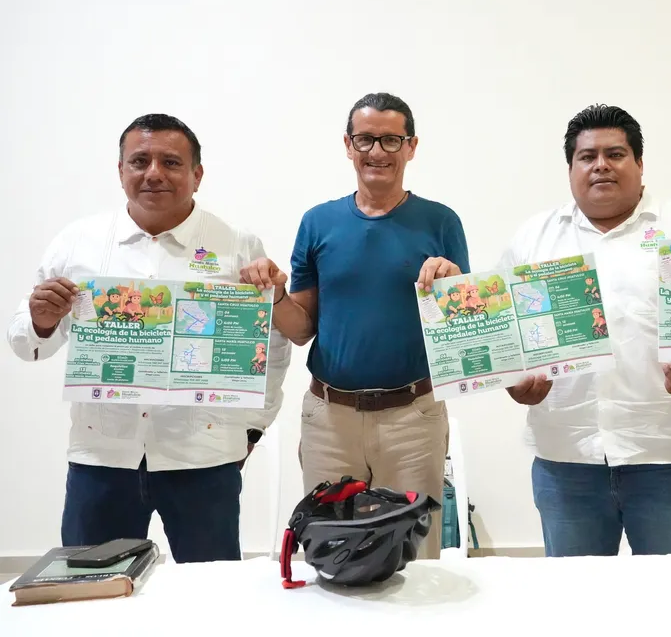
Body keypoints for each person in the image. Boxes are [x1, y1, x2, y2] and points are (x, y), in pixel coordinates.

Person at [7, 114, 290, 563]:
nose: (153, 173)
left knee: (209, 597)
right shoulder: (77, 243)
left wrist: (254, 427)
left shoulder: (236, 244)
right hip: (101, 457)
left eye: (171, 162)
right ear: (120, 171)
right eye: (139, 161)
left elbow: (271, 347)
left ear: (197, 175)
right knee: (89, 589)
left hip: (203, 457)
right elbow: (26, 344)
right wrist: (41, 320)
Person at [240, 93, 469, 560]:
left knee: (415, 558)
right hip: (330, 419)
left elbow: (463, 329)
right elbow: (302, 328)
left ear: (411, 146)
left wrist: (454, 285)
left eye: (391, 139)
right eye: (366, 139)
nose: (378, 152)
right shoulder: (318, 222)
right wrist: (275, 294)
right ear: (348, 145)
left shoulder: (442, 221)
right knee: (331, 553)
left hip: (414, 417)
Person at [500, 104, 671, 557]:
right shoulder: (533, 239)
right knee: (577, 609)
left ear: (640, 164)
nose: (601, 165)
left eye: (615, 154)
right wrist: (514, 384)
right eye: (587, 156)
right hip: (568, 459)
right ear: (570, 169)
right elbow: (507, 341)